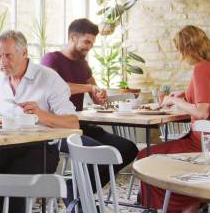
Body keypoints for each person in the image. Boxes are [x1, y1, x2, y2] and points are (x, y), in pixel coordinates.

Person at [0, 30, 79, 213]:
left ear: (24, 53)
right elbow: (1, 118)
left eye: (7, 55)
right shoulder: (1, 82)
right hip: (6, 147)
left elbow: (73, 122)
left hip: (42, 149)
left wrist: (40, 113)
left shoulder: (48, 78)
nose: (2, 62)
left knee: (15, 184)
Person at [137, 25, 210, 213]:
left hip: (201, 141)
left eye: (180, 49)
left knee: (146, 156)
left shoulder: (201, 68)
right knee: (169, 152)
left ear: (188, 48)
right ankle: (188, 212)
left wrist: (175, 101)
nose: (180, 54)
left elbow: (202, 111)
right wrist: (184, 95)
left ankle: (160, 209)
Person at [41, 18, 138, 197]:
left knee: (128, 148)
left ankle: (75, 190)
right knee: (100, 154)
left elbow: (94, 91)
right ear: (72, 37)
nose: (89, 47)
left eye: (92, 43)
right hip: (56, 128)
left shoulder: (83, 64)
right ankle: (79, 195)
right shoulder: (51, 59)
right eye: (86, 42)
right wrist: (89, 88)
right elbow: (57, 88)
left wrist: (98, 95)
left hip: (79, 124)